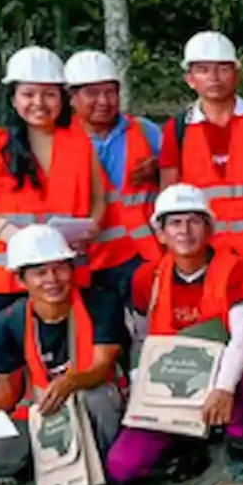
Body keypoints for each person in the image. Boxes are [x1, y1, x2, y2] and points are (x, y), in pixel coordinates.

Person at [105, 185, 243, 485]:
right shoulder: (147, 277)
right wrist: (141, 388)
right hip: (173, 382)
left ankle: (240, 446)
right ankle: (185, 446)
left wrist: (223, 388)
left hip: (226, 375)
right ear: (161, 233)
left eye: (194, 220)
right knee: (120, 468)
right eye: (175, 222)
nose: (184, 230)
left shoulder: (237, 269)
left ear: (209, 228)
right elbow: (142, 339)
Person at [0, 47, 106, 337]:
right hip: (5, 278)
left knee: (66, 357)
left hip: (63, 275)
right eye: (29, 94)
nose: (39, 103)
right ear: (13, 98)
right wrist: (10, 233)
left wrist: (92, 227)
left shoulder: (79, 145)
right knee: (13, 361)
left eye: (49, 94)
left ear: (62, 99)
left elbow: (98, 198)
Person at [0, 226, 127, 485]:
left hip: (90, 398)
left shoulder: (100, 304)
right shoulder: (8, 322)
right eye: (40, 273)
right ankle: (46, 465)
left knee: (97, 397)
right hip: (44, 407)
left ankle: (104, 470)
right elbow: (8, 389)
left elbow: (101, 367)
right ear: (21, 280)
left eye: (60, 268)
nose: (52, 279)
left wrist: (71, 382)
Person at [159, 31, 243, 282]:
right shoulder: (177, 130)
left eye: (223, 69)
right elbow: (168, 195)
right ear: (190, 78)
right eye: (203, 70)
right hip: (205, 252)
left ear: (237, 75)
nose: (214, 78)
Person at [64, 50, 162, 316]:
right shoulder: (61, 140)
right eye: (92, 94)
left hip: (141, 256)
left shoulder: (144, 131)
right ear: (72, 98)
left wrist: (159, 168)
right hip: (86, 261)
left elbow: (179, 178)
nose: (104, 101)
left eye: (110, 92)